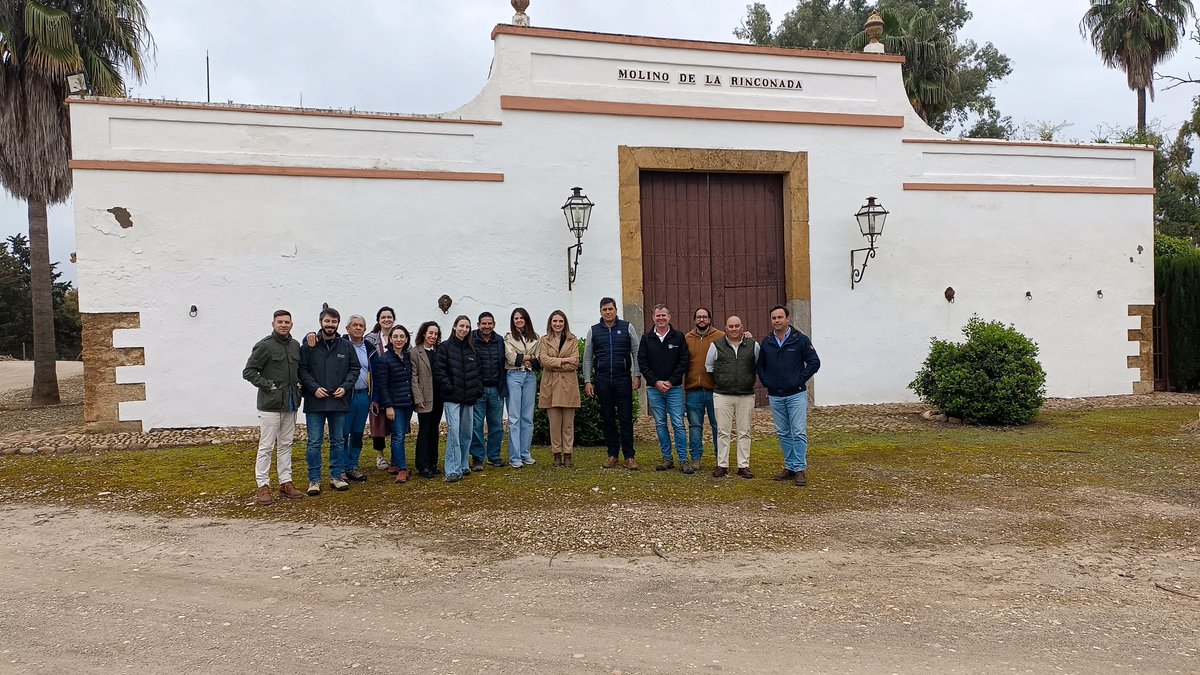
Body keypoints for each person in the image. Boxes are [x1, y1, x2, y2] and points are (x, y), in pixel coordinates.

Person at [242, 309, 306, 505]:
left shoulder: (295, 346)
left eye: (287, 322)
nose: (284, 325)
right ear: (273, 324)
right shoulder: (265, 346)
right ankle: (263, 485)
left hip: (290, 403)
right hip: (270, 405)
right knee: (266, 446)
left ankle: (285, 483)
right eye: (280, 322)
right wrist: (268, 385)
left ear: (291, 325)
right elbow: (249, 371)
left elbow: (298, 371)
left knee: (286, 445)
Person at [757, 305, 821, 487]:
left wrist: (799, 379)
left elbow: (814, 362)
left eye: (780, 317)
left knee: (798, 431)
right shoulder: (767, 341)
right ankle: (790, 466)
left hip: (796, 394)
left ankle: (800, 468)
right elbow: (760, 366)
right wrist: (766, 381)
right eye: (774, 318)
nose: (777, 321)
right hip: (776, 396)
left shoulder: (800, 339)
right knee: (784, 432)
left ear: (788, 319)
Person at [298, 307, 360, 495]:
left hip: (339, 401)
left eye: (334, 322)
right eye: (327, 321)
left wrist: (346, 386)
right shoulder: (310, 345)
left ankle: (336, 477)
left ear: (338, 324)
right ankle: (314, 480)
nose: (330, 325)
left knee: (338, 441)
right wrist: (314, 388)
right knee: (314, 442)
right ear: (321, 322)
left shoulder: (346, 346)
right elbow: (302, 370)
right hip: (315, 401)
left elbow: (354, 369)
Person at [583, 297, 641, 469]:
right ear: (600, 312)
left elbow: (636, 352)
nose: (608, 312)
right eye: (604, 310)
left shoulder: (627, 327)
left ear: (616, 310)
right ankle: (612, 454)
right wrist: (587, 380)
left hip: (623, 378)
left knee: (625, 418)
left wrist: (637, 375)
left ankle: (629, 456)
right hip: (602, 380)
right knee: (608, 418)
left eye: (610, 309)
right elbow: (587, 358)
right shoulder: (593, 331)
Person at [637, 304, 690, 473]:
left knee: (678, 424)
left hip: (674, 389)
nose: (660, 318)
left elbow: (684, 360)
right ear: (653, 318)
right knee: (660, 424)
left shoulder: (678, 337)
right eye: (657, 316)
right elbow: (642, 363)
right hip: (654, 389)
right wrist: (655, 381)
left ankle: (683, 460)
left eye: (663, 315)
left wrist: (671, 381)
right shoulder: (646, 338)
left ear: (669, 317)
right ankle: (667, 458)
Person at [706, 315, 760, 479]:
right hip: (723, 395)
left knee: (744, 431)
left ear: (742, 327)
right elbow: (709, 367)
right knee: (723, 431)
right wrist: (723, 379)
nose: (734, 329)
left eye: (737, 326)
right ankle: (722, 465)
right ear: (726, 328)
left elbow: (757, 364)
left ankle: (743, 465)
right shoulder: (716, 345)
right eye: (731, 326)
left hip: (746, 394)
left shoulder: (753, 345)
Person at [435, 315, 482, 483]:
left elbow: (477, 372)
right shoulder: (445, 347)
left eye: (467, 327)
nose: (464, 329)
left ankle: (463, 465)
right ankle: (452, 470)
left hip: (469, 398)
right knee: (454, 433)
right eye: (461, 326)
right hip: (452, 398)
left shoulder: (472, 349)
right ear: (454, 327)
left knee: (466, 433)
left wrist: (477, 391)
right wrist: (450, 388)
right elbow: (440, 371)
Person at [371, 325, 414, 484]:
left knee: (400, 433)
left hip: (407, 403)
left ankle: (395, 464)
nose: (399, 340)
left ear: (406, 339)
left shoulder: (407, 357)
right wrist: (388, 406)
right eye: (395, 336)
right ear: (390, 339)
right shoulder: (384, 359)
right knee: (398, 436)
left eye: (402, 336)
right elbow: (382, 386)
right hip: (394, 404)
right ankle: (402, 469)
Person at [537, 310, 581, 467]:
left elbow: (574, 363)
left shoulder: (572, 339)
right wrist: (565, 360)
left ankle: (568, 454)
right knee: (554, 424)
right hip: (551, 386)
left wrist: (555, 364)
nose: (557, 324)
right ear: (550, 323)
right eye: (554, 321)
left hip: (568, 386)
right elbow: (543, 360)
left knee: (568, 424)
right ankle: (556, 454)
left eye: (560, 321)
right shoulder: (544, 340)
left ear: (565, 323)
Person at [683, 307, 723, 469]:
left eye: (704, 317)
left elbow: (736, 344)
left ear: (709, 319)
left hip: (715, 390)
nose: (701, 319)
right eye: (698, 317)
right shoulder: (687, 338)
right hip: (693, 390)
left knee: (718, 426)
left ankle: (720, 458)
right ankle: (696, 458)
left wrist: (747, 336)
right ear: (694, 320)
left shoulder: (720, 336)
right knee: (694, 426)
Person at [469, 312, 508, 471]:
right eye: (483, 324)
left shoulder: (499, 340)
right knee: (476, 425)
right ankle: (477, 457)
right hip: (479, 389)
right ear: (478, 324)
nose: (486, 326)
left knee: (497, 425)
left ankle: (493, 456)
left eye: (489, 323)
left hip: (496, 389)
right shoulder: (471, 339)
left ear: (494, 324)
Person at [504, 308, 541, 469]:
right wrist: (528, 357)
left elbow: (538, 360)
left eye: (521, 317)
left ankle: (525, 453)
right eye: (515, 318)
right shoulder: (508, 337)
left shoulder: (536, 337)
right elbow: (512, 358)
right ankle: (515, 456)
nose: (518, 320)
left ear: (526, 319)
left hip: (530, 377)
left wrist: (524, 358)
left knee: (527, 417)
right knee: (514, 418)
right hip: (514, 376)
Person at [365, 306, 396, 471]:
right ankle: (380, 456)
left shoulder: (399, 335)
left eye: (389, 317)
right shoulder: (370, 339)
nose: (386, 320)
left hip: (394, 385)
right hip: (376, 385)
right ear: (378, 320)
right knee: (378, 421)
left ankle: (396, 455)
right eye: (383, 317)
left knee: (394, 422)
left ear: (393, 319)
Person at [411, 321, 443, 479]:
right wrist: (418, 398)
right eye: (430, 333)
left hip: (439, 397)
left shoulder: (439, 350)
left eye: (436, 334)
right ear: (424, 333)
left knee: (434, 430)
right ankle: (422, 465)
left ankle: (433, 463)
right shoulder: (415, 352)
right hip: (424, 397)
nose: (433, 336)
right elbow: (413, 377)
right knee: (424, 430)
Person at [342, 315, 371, 482]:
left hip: (364, 395)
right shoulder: (341, 345)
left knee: (358, 433)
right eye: (354, 325)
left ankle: (353, 465)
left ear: (365, 329)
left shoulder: (369, 348)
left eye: (361, 325)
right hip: (346, 396)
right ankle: (341, 467)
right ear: (347, 329)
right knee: (343, 433)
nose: (358, 328)